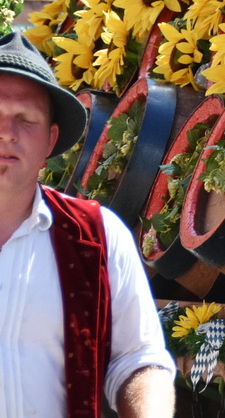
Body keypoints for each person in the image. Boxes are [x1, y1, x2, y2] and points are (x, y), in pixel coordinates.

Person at [0, 30, 175, 417]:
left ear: (50, 140)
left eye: (25, 119)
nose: (6, 133)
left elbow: (138, 358)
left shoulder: (97, 236)